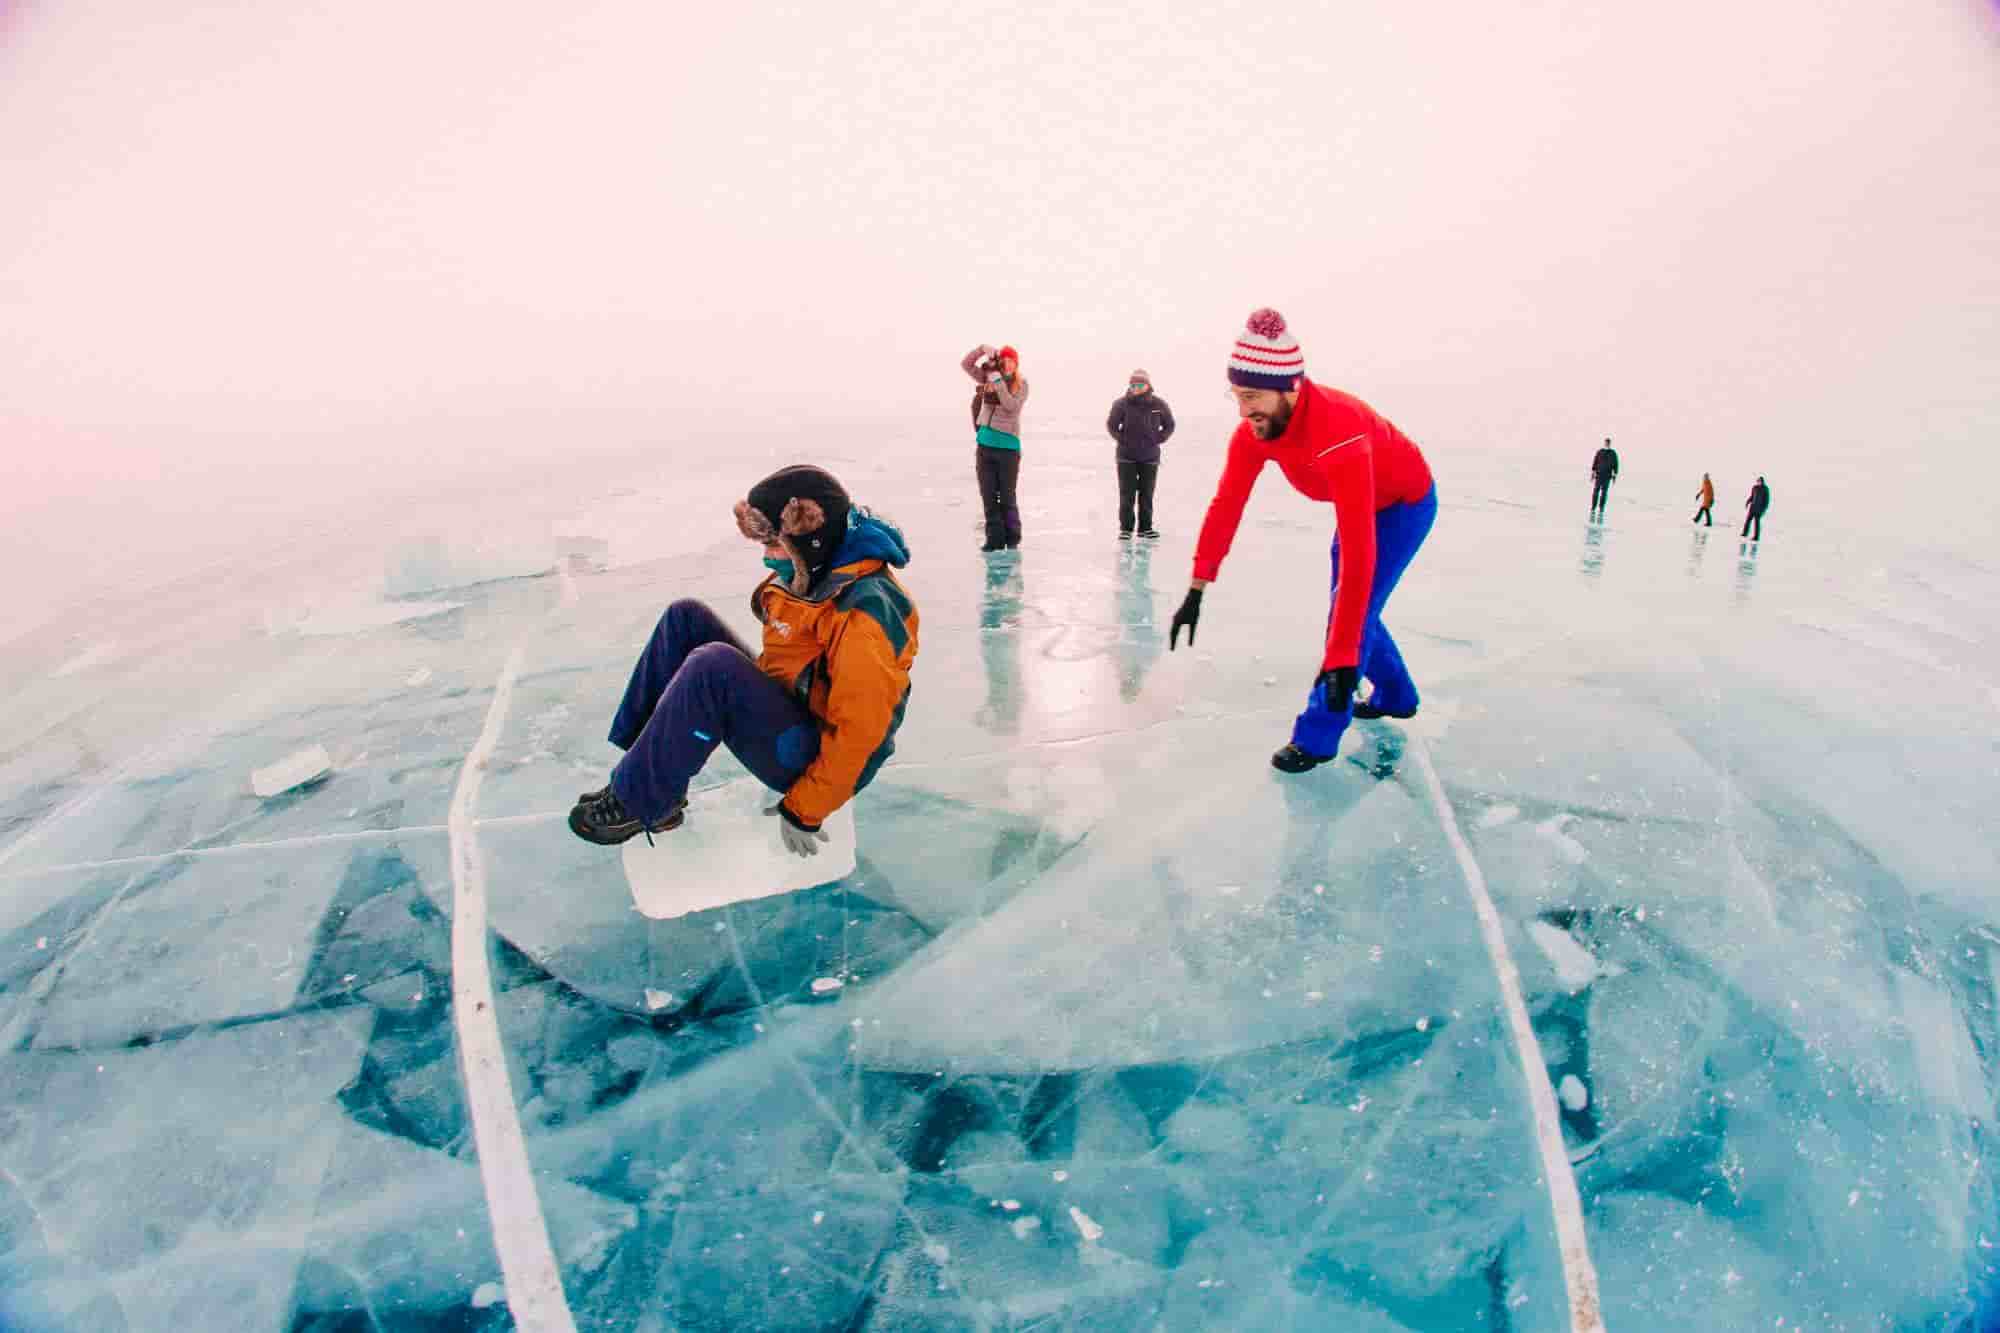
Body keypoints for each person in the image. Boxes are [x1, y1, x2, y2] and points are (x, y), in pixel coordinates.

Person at [569, 465, 918, 854]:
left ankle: (638, 799)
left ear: (812, 542)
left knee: (713, 666)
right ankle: (648, 778)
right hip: (793, 708)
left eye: (774, 545)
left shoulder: (864, 615)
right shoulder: (816, 570)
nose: (768, 559)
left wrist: (806, 809)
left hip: (811, 755)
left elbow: (863, 734)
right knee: (685, 618)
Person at [1167, 308, 1437, 773]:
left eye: (1251, 396)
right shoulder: (1254, 432)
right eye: (1235, 396)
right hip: (1363, 505)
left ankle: (1317, 735)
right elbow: (1226, 506)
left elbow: (1358, 553)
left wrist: (1341, 660)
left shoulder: (1338, 427)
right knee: (1350, 610)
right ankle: (1396, 694)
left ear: (1290, 387)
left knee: (1352, 612)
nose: (1243, 410)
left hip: (1404, 504)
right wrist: (1197, 587)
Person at [962, 344, 1029, 551]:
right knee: (988, 495)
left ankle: (1013, 538)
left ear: (1016, 364)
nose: (1007, 365)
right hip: (985, 446)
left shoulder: (1021, 384)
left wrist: (998, 382)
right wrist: (982, 350)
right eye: (1004, 361)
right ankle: (994, 539)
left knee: (1007, 497)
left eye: (1011, 361)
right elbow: (966, 364)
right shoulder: (987, 378)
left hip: (1008, 449)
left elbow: (1011, 406)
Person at [1105, 368, 1175, 539]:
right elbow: (1112, 425)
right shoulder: (1121, 404)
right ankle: (1126, 530)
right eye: (1133, 384)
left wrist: (1158, 438)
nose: (1136, 387)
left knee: (1147, 494)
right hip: (1126, 457)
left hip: (1150, 458)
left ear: (1147, 385)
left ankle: (1145, 529)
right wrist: (1123, 440)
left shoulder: (1159, 405)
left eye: (1140, 384)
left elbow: (1170, 424)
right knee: (1127, 494)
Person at [1590, 438, 1619, 517]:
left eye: (1608, 443)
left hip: (1607, 476)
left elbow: (1616, 464)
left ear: (1610, 444)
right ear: (1604, 443)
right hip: (1598, 475)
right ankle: (1593, 507)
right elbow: (1595, 462)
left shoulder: (1613, 453)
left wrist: (1615, 475)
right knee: (1596, 492)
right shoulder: (1599, 452)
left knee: (1604, 493)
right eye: (1606, 443)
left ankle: (1601, 508)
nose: (1607, 444)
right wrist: (1593, 473)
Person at [1742, 475, 1771, 540]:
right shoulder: (1755, 487)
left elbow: (1766, 501)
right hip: (1752, 508)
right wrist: (1748, 502)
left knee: (1756, 523)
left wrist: (1763, 510)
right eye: (1758, 481)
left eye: (1760, 481)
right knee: (1748, 521)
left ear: (1762, 482)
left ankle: (1756, 536)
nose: (1758, 482)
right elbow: (1752, 496)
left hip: (1759, 509)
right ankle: (1745, 533)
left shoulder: (1765, 489)